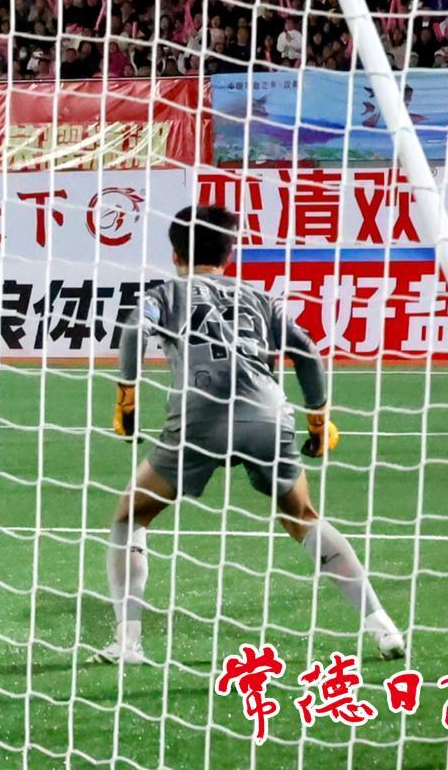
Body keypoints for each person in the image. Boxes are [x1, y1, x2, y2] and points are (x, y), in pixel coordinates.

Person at [95, 204, 404, 664]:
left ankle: (128, 643)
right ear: (229, 255)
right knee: (303, 516)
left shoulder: (167, 293)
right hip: (268, 415)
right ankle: (383, 627)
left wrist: (127, 397)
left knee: (129, 517)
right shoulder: (260, 298)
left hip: (200, 417)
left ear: (176, 255)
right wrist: (318, 418)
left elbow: (135, 328)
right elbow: (306, 349)